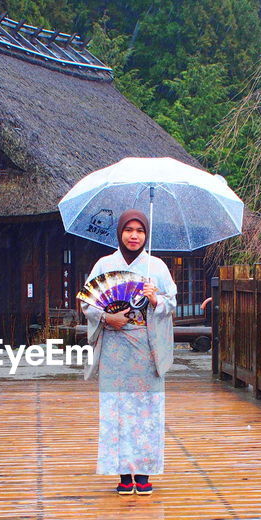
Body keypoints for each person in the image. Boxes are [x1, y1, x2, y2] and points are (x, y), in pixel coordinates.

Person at [82, 210, 177, 495]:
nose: (134, 236)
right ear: (120, 233)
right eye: (129, 230)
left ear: (146, 234)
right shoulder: (104, 264)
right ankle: (124, 473)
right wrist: (106, 318)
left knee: (147, 411)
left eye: (140, 231)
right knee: (117, 410)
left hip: (146, 346)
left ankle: (144, 472)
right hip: (114, 345)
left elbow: (171, 302)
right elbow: (88, 301)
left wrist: (155, 299)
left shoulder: (157, 266)